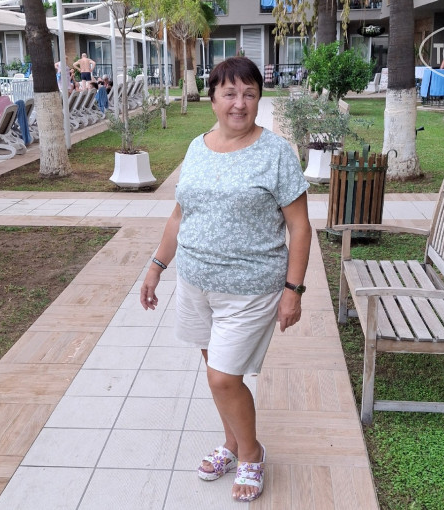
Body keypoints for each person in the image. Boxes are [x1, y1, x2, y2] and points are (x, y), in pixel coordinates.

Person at [139, 56, 312, 503]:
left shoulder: (275, 153)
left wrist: (293, 292)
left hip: (250, 288)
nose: (240, 103)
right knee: (219, 373)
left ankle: (252, 454)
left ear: (259, 99)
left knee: (222, 378)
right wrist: (156, 267)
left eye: (249, 94)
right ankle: (232, 443)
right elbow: (180, 215)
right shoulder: (197, 147)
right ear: (213, 99)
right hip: (195, 283)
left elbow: (299, 227)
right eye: (230, 93)